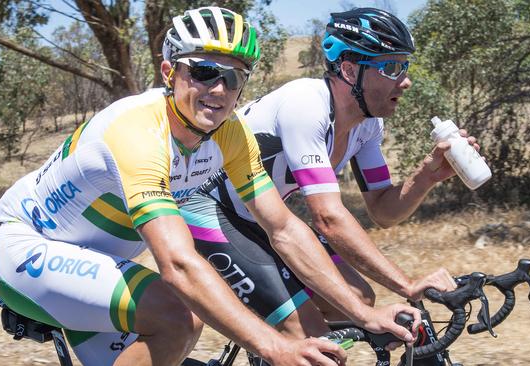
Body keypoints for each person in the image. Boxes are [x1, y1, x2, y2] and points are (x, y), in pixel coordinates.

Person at [0, 6, 420, 366]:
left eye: (233, 78)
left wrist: (365, 314)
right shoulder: (139, 132)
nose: (218, 89)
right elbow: (177, 266)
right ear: (168, 72)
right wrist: (276, 346)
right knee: (179, 317)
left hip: (101, 264)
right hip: (32, 251)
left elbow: (284, 229)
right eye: (203, 71)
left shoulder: (230, 135)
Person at [181, 7, 472, 341]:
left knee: (359, 300)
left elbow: (383, 210)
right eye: (391, 67)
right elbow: (328, 219)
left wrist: (426, 177)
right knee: (305, 330)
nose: (404, 81)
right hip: (205, 207)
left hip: (260, 215)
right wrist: (407, 285)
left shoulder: (368, 125)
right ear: (349, 70)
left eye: (405, 67)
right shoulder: (306, 104)